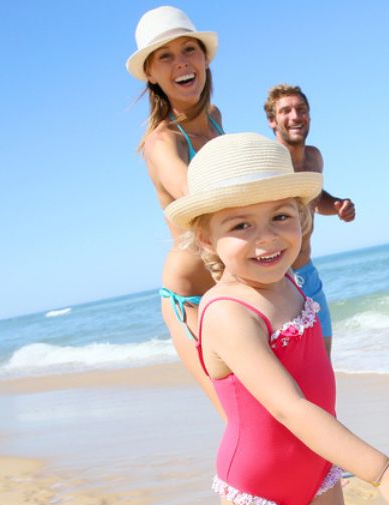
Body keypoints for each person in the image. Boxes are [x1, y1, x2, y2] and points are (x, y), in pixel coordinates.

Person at [165, 133, 389, 505]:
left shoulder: (290, 280)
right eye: (240, 225)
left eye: (280, 217)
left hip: (317, 473)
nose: (267, 238)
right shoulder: (229, 313)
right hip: (256, 483)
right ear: (206, 237)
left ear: (302, 216)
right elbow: (289, 407)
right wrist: (382, 470)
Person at [127, 6, 225, 404]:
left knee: (277, 402)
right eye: (165, 56)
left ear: (204, 58)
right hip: (192, 300)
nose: (181, 62)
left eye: (189, 49)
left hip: (232, 280)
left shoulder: (217, 118)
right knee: (239, 415)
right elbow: (199, 200)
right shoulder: (162, 142)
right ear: (150, 73)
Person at [264, 84, 356, 356]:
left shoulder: (314, 158)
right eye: (285, 111)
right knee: (293, 363)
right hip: (280, 278)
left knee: (323, 359)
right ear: (272, 121)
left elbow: (315, 199)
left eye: (301, 110)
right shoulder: (268, 164)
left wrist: (337, 206)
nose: (295, 116)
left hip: (308, 273)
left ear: (309, 117)